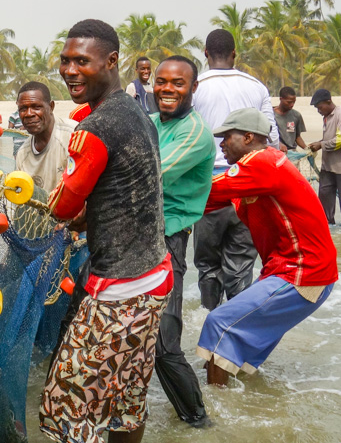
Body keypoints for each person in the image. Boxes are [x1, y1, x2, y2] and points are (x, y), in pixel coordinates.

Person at [40, 19, 171, 443]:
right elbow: (125, 186)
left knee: (66, 408)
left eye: (83, 62)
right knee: (125, 403)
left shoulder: (93, 128)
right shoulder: (136, 112)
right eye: (65, 61)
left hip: (119, 287)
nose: (70, 71)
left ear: (112, 62)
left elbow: (63, 206)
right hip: (155, 275)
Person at [197, 108, 338, 386]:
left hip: (301, 273)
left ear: (249, 137)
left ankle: (212, 415)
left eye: (227, 137)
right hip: (298, 273)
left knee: (219, 324)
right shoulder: (259, 169)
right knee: (239, 353)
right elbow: (207, 202)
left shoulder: (261, 161)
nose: (222, 144)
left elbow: (206, 190)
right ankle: (246, 410)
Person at [189, 29, 279, 310]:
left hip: (208, 187)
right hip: (249, 185)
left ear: (205, 54)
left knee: (207, 264)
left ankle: (209, 323)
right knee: (240, 265)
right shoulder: (257, 87)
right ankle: (236, 327)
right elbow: (272, 138)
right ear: (234, 54)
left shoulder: (193, 86)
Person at [149, 57, 213, 428]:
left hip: (167, 240)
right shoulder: (153, 123)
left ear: (193, 88)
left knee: (163, 343)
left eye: (178, 83)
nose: (167, 89)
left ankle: (199, 424)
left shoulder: (194, 132)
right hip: (133, 233)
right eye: (161, 82)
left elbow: (149, 174)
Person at [308, 88, 341, 229]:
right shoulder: (326, 117)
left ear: (328, 102)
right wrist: (318, 143)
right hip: (327, 166)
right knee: (324, 199)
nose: (319, 111)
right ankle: (327, 227)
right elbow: (330, 138)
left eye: (320, 107)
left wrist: (321, 144)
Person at [14, 81, 74, 191]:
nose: (29, 114)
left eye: (36, 107)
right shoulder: (22, 155)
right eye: (23, 109)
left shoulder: (73, 136)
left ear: (51, 107)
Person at [273, 86, 308, 153]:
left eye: (294, 102)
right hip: (276, 152)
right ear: (281, 99)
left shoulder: (296, 115)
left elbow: (297, 137)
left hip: (292, 153)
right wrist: (279, 144)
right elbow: (266, 135)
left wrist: (306, 148)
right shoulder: (270, 115)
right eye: (289, 102)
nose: (292, 105)